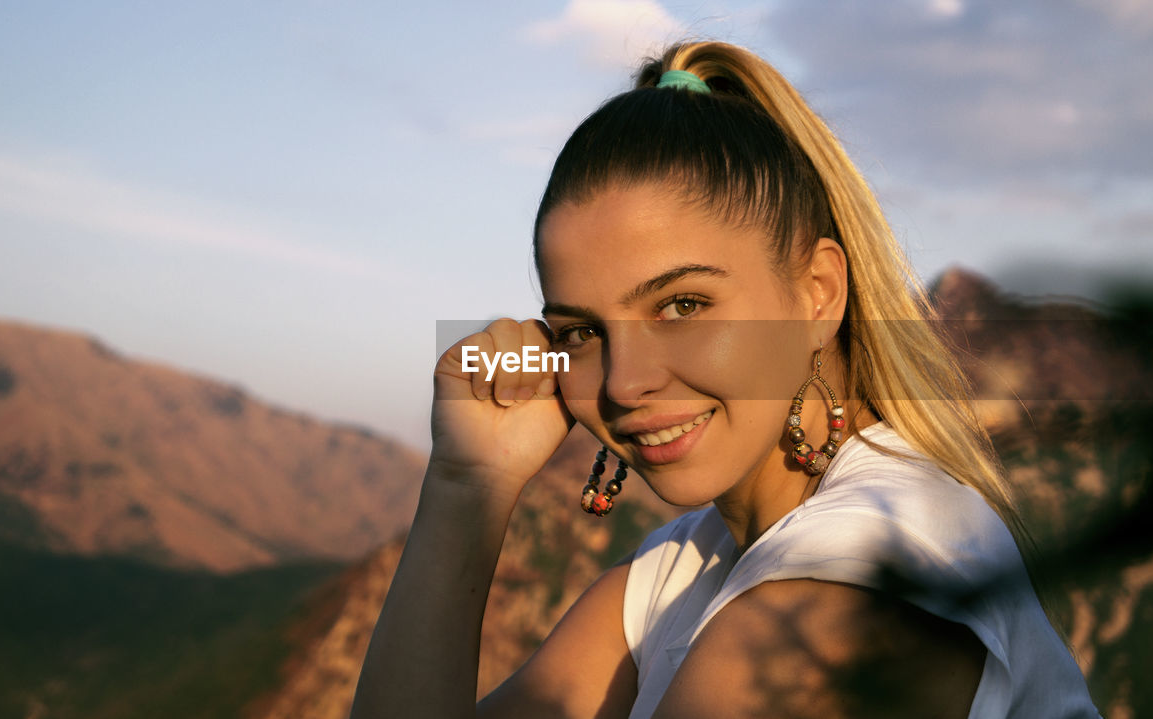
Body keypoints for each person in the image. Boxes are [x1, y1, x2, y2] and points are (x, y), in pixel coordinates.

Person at [351, 41, 1101, 718]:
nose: (625, 382)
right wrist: (466, 484)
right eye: (582, 331)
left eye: (682, 305)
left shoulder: (864, 578)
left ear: (818, 294)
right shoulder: (675, 574)